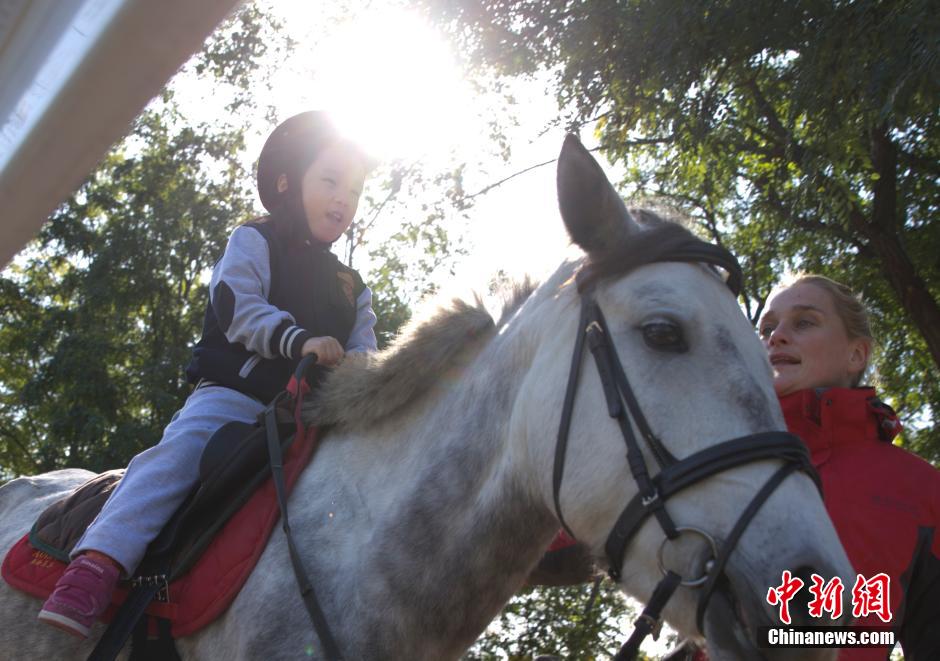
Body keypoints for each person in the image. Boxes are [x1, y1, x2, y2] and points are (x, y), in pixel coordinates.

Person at [37, 111, 379, 638]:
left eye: (353, 191)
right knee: (181, 454)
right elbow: (236, 304)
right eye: (330, 181)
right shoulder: (255, 240)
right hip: (236, 397)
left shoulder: (353, 287)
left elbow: (365, 353)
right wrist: (297, 341)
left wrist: (365, 377)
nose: (343, 199)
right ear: (287, 182)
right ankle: (96, 564)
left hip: (309, 418)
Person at [758, 274, 940, 660]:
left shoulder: (922, 491)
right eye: (768, 328)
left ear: (856, 354)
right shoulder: (713, 467)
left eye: (804, 322)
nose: (776, 337)